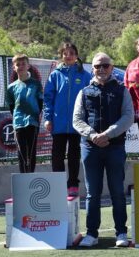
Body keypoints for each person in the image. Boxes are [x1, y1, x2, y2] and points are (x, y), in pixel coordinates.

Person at [73, 52, 134, 247]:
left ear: (112, 67)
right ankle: (91, 234)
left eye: (105, 65)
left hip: (115, 148)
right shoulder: (83, 92)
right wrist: (93, 135)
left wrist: (107, 134)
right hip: (90, 149)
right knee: (93, 193)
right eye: (98, 66)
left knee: (117, 191)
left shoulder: (122, 91)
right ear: (93, 68)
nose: (101, 69)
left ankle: (121, 233)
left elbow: (128, 117)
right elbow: (77, 120)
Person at [43, 42, 91, 196]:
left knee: (74, 154)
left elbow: (90, 97)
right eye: (65, 53)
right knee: (57, 154)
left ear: (76, 56)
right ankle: (57, 185)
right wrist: (48, 118)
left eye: (71, 53)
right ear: (61, 56)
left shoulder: (84, 75)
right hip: (59, 123)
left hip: (78, 123)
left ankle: (73, 185)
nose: (68, 56)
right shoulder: (55, 75)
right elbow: (48, 98)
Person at [6, 54, 43, 173]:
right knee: (21, 153)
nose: (21, 66)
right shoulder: (11, 87)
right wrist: (18, 117)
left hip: (32, 122)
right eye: (18, 64)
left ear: (28, 66)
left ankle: (30, 178)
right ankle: (23, 179)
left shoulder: (36, 84)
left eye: (23, 64)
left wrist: (35, 115)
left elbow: (40, 102)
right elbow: (12, 106)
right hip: (18, 123)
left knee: (31, 153)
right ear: (14, 67)